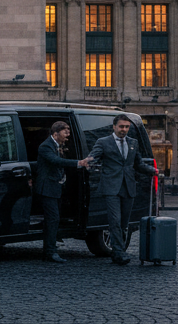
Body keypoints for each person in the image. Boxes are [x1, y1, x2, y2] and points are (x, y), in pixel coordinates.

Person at [88, 113, 159, 265]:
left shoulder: (133, 142)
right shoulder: (103, 142)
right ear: (114, 127)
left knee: (124, 223)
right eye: (121, 126)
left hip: (128, 187)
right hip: (111, 187)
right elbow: (93, 157)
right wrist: (88, 163)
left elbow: (138, 164)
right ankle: (119, 252)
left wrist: (152, 170)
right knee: (115, 220)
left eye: (126, 127)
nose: (124, 129)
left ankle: (118, 251)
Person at [33, 121, 93, 263]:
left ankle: (49, 250)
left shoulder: (58, 145)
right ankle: (50, 252)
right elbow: (55, 161)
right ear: (55, 134)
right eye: (65, 132)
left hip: (55, 187)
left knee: (53, 219)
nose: (68, 135)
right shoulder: (46, 146)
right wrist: (79, 163)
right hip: (47, 188)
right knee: (53, 219)